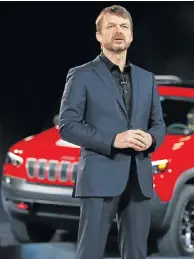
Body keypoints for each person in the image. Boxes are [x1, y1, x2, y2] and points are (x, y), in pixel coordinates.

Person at [58, 5, 166, 259]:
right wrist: (113, 140)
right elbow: (67, 126)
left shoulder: (146, 78)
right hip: (98, 178)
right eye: (111, 26)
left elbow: (159, 125)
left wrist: (151, 139)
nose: (118, 31)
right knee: (90, 253)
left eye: (124, 26)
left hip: (138, 179)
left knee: (137, 253)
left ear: (131, 35)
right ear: (98, 35)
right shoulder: (81, 75)